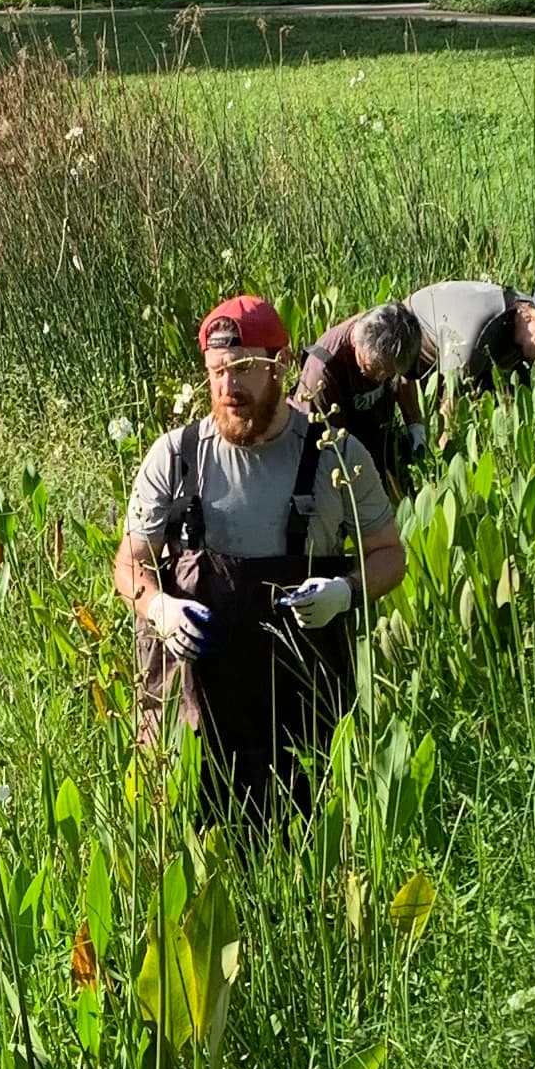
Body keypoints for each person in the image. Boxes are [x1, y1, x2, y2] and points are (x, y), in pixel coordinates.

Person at [115, 295, 405, 816]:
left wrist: (346, 592)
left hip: (299, 715)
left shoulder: (334, 455)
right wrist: (158, 607)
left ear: (283, 364)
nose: (229, 388)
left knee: (302, 839)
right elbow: (130, 563)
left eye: (246, 368)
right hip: (193, 710)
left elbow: (389, 555)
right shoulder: (176, 456)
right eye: (218, 371)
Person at [295, 298, 425, 485]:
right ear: (357, 344)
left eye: (390, 373)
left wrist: (415, 425)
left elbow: (406, 377)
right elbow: (320, 445)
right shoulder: (323, 370)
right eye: (375, 369)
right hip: (333, 446)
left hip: (376, 431)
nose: (381, 378)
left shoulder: (399, 335)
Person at [404, 279, 535, 393]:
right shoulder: (475, 337)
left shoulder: (526, 312)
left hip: (464, 352)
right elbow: (450, 403)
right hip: (408, 335)